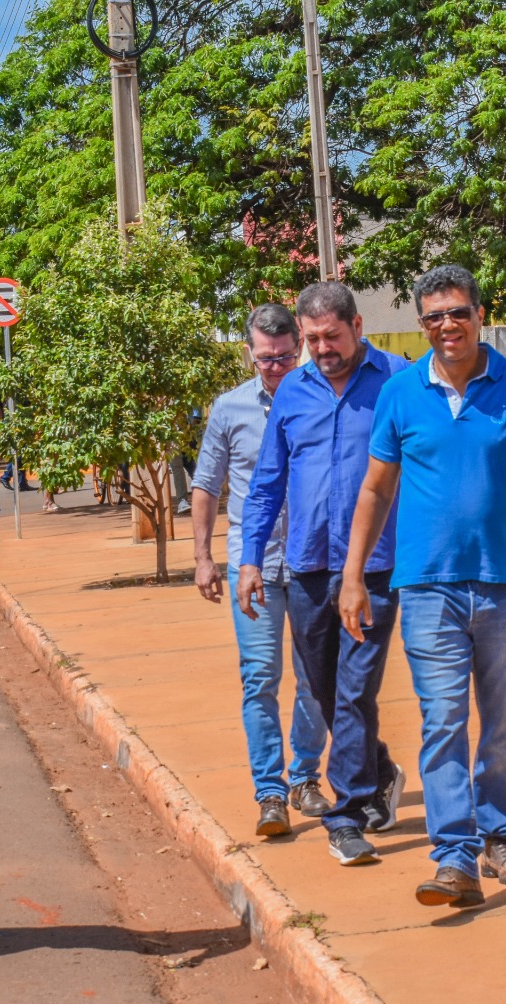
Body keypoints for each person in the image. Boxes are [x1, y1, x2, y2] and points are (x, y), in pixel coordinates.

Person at [340, 265, 506, 908]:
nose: (449, 325)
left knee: (503, 724)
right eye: (435, 317)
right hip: (426, 590)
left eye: (459, 313)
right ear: (423, 325)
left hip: (502, 585)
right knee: (442, 721)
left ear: (480, 315)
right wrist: (354, 576)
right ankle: (453, 859)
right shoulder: (402, 392)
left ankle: (500, 837)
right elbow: (376, 488)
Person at [238, 282, 408, 868]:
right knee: (328, 691)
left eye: (331, 336)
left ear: (357, 326)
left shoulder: (398, 381)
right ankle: (381, 771)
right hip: (307, 566)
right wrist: (251, 558)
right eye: (311, 339)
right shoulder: (292, 393)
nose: (321, 349)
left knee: (356, 690)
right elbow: (267, 483)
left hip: (377, 566)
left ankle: (346, 815)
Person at [192, 304, 330, 837]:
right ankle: (270, 792)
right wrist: (204, 558)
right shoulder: (229, 409)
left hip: (315, 561)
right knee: (259, 678)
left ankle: (306, 778)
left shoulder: (321, 398)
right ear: (250, 352)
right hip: (253, 566)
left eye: (285, 357)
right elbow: (207, 483)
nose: (275, 367)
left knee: (316, 680)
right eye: (266, 358)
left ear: (299, 348)